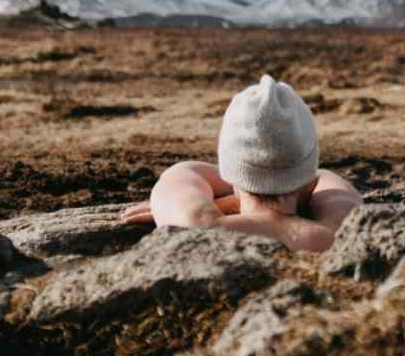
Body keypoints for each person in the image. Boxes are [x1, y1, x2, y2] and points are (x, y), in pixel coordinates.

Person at [119, 74, 363, 252]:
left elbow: (183, 171)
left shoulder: (196, 224)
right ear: (305, 171)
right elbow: (326, 178)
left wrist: (176, 205)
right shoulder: (337, 231)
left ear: (230, 171)